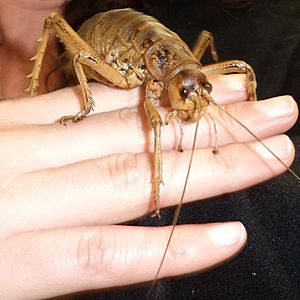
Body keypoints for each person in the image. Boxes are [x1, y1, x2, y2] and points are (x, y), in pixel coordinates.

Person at [0, 1, 298, 299]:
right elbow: (80, 60)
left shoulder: (274, 35)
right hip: (108, 37)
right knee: (62, 33)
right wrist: (86, 107)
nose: (196, 100)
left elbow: (238, 66)